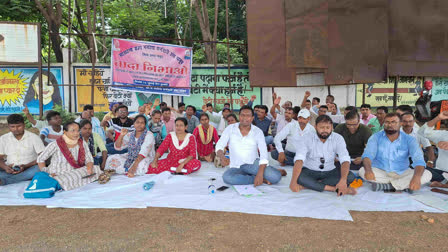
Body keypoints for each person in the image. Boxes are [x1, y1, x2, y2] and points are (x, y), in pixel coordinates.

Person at [359, 113, 431, 192]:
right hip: (381, 172)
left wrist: (416, 178)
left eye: (393, 122)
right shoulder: (375, 137)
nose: (390, 125)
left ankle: (388, 186)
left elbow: (419, 160)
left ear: (400, 124)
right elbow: (367, 156)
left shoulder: (409, 139)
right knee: (363, 171)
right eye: (387, 122)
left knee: (426, 174)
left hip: (402, 173)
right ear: (384, 123)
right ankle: (404, 186)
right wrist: (369, 171)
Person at [216, 105, 283, 186]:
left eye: (248, 116)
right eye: (242, 115)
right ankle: (257, 178)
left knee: (276, 177)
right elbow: (219, 146)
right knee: (227, 178)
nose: (245, 118)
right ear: (239, 116)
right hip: (236, 166)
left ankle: (267, 172)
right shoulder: (230, 129)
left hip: (253, 164)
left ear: (252, 118)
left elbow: (263, 154)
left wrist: (260, 172)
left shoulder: (257, 131)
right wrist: (222, 157)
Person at [289, 115, 357, 195]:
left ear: (332, 127)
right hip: (310, 170)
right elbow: (299, 159)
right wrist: (293, 182)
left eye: (328, 128)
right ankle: (333, 189)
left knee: (350, 176)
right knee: (299, 178)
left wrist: (343, 180)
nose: (325, 130)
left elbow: (345, 159)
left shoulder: (338, 138)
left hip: (330, 171)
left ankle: (308, 186)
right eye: (321, 127)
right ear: (315, 127)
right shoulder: (306, 138)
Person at [37, 121, 102, 191]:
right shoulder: (55, 144)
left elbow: (89, 159)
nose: (76, 133)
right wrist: (46, 174)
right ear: (65, 132)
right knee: (65, 178)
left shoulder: (82, 143)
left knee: (96, 168)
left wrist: (89, 168)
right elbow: (40, 159)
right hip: (57, 173)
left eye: (78, 131)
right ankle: (58, 182)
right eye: (73, 131)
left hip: (75, 171)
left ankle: (66, 183)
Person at [0, 114, 44, 186]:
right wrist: (5, 167)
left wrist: (26, 166)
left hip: (29, 168)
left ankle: (5, 181)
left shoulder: (34, 137)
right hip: (9, 169)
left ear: (24, 125)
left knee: (38, 169)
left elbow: (42, 156)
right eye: (12, 127)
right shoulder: (3, 138)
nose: (16, 129)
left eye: (19, 126)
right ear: (8, 126)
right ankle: (21, 178)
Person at [418, 111, 448, 187]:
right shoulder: (444, 135)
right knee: (418, 169)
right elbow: (421, 132)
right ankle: (444, 183)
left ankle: (444, 184)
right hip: (440, 174)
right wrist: (438, 118)